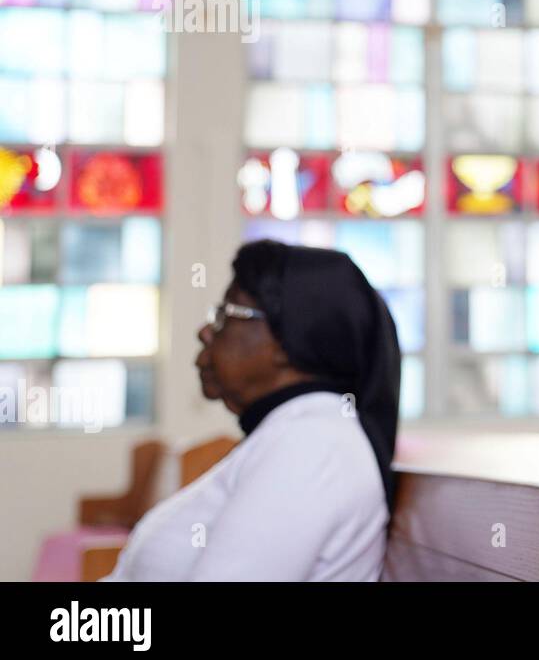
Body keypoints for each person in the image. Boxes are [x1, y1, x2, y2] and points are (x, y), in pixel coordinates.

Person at [105, 240, 401, 580]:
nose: (205, 331)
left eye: (227, 313)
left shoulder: (313, 446)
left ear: (289, 339)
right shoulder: (291, 432)